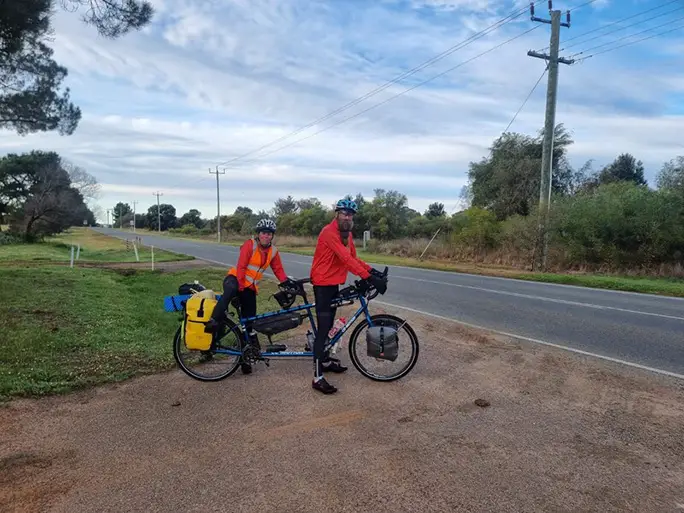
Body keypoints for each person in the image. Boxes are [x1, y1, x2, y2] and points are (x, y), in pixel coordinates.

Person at [309, 198, 387, 394]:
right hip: (322, 284)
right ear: (337, 214)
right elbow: (344, 259)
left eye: (350, 214)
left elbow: (353, 258)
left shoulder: (347, 234)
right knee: (324, 328)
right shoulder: (329, 232)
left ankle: (325, 361)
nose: (347, 216)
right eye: (344, 213)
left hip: (333, 283)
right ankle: (317, 378)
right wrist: (368, 277)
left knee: (329, 324)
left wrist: (373, 271)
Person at [205, 218, 293, 374]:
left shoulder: (273, 251)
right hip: (234, 280)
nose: (266, 236)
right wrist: (239, 288)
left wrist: (287, 283)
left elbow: (278, 270)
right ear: (258, 234)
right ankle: (213, 320)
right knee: (230, 291)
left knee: (249, 323)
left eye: (269, 234)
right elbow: (242, 266)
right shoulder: (250, 245)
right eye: (263, 233)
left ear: (272, 236)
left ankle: (245, 360)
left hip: (250, 288)